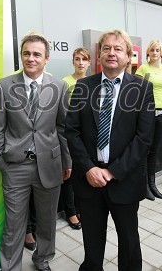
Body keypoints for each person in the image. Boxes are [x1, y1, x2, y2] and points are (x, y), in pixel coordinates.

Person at [65, 30, 155, 271]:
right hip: (89, 180)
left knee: (128, 241)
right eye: (106, 48)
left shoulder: (142, 88)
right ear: (99, 55)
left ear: (128, 56)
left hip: (124, 179)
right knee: (92, 241)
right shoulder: (84, 86)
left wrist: (112, 171)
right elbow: (71, 131)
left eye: (117, 49)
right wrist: (89, 168)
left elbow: (144, 138)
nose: (111, 53)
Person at [0, 31, 71, 271]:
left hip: (50, 164)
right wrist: (1, 161)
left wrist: (67, 162)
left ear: (46, 58)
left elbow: (62, 127)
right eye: (26, 53)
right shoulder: (4, 86)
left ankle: (42, 259)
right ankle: (10, 267)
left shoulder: (59, 87)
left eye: (37, 54)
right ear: (21, 56)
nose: (31, 58)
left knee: (47, 221)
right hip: (16, 166)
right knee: (14, 225)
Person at [61, 47, 92, 230]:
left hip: (87, 134)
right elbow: (62, 110)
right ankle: (70, 212)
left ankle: (81, 208)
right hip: (69, 133)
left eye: (84, 59)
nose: (81, 62)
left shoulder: (93, 81)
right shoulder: (65, 82)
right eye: (77, 59)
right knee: (69, 174)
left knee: (83, 171)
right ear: (73, 61)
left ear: (89, 62)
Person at [136, 40, 162, 200]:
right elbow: (136, 92)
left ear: (161, 53)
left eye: (157, 50)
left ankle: (152, 184)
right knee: (145, 150)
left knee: (154, 150)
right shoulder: (143, 68)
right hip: (146, 113)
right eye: (152, 50)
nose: (154, 52)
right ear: (147, 52)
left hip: (161, 112)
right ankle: (143, 187)